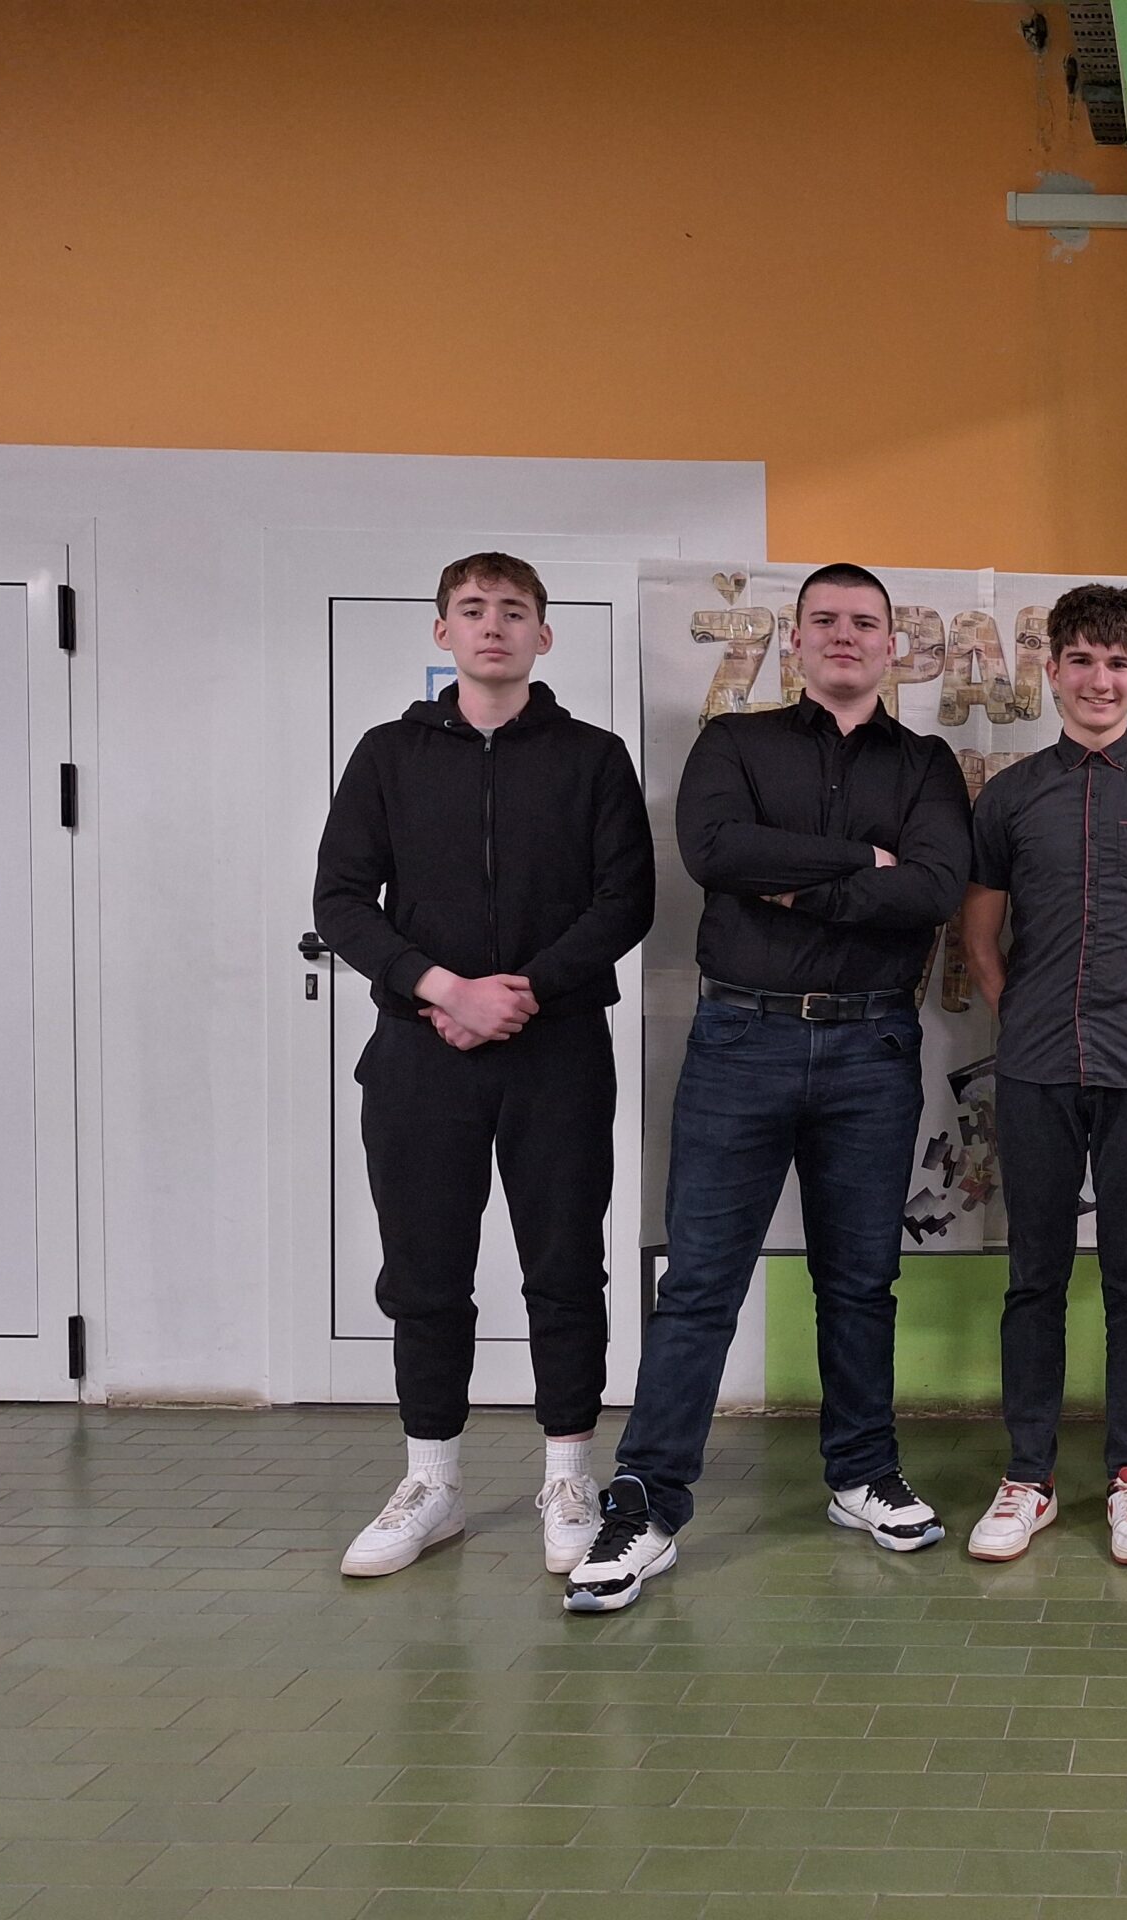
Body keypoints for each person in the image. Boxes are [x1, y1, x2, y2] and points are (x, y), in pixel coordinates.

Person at [566, 563, 969, 1612]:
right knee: (701, 1282)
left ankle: (862, 1473)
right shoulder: (734, 743)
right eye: (824, 620)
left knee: (859, 1280)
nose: (844, 635)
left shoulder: (925, 764)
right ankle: (646, 1504)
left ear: (893, 646)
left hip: (872, 1047)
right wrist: (861, 863)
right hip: (739, 1040)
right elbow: (714, 851)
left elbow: (932, 888)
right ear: (794, 640)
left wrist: (797, 884)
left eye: (865, 622)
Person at [314, 552, 653, 1579]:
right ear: (443, 632)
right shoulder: (388, 755)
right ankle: (434, 1483)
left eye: (513, 611)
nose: (493, 625)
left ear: (544, 635)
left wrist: (523, 992)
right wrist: (443, 990)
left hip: (559, 1055)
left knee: (565, 1268)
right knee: (425, 1273)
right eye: (472, 609)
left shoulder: (594, 758)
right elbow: (340, 901)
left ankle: (569, 1477)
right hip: (421, 1058)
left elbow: (625, 902)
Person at [958, 585, 1127, 1566]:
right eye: (1081, 660)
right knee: (1034, 1274)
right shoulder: (1011, 796)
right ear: (1053, 670)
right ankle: (1027, 1477)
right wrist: (1016, 1012)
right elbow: (979, 935)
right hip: (1035, 1069)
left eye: (1117, 663)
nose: (1099, 680)